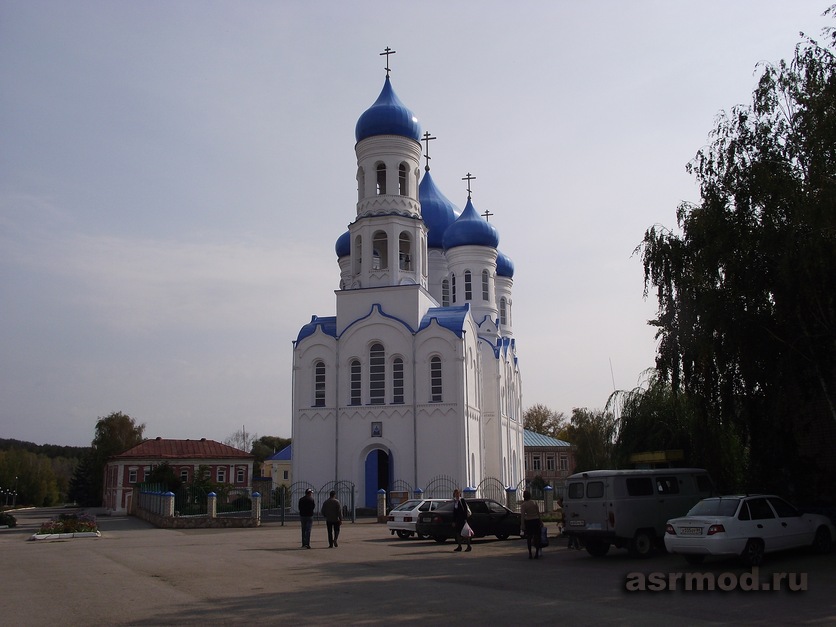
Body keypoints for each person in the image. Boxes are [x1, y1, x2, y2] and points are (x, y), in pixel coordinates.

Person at [520, 489, 542, 559]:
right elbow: (538, 513)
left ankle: (530, 553)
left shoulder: (524, 505)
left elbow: (522, 516)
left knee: (529, 538)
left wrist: (522, 525)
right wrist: (541, 521)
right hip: (536, 521)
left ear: (524, 497)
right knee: (537, 537)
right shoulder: (534, 502)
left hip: (529, 522)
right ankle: (536, 553)